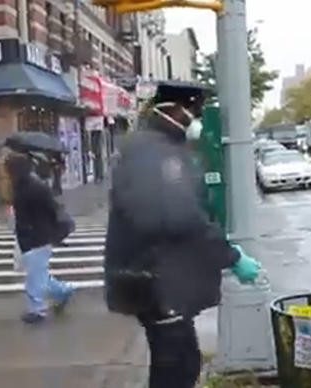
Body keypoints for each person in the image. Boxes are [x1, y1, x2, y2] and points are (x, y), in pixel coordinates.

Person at [104, 81, 262, 388]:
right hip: (157, 281)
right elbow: (180, 215)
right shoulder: (157, 153)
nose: (197, 119)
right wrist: (231, 256)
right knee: (176, 366)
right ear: (176, 109)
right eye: (195, 110)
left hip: (155, 277)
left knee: (182, 360)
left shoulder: (152, 146)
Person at [4, 149, 73, 324]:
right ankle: (63, 290)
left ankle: (38, 310)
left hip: (37, 236)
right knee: (39, 275)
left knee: (35, 277)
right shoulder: (23, 185)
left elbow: (51, 209)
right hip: (32, 236)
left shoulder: (32, 187)